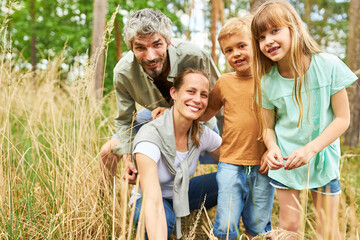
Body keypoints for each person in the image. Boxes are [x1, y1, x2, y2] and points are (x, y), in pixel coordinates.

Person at [251, 0, 358, 239]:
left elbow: (342, 119)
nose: (268, 40)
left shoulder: (328, 65)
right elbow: (266, 127)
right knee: (288, 228)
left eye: (275, 30)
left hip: (322, 159)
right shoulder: (267, 82)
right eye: (261, 37)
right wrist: (272, 147)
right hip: (286, 162)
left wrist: (311, 149)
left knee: (328, 230)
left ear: (295, 28)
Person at [99, 8, 220, 185]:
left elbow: (219, 97)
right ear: (131, 48)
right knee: (107, 152)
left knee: (231, 159)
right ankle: (105, 207)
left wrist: (173, 115)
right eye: (140, 47)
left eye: (157, 45)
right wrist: (127, 158)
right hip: (154, 116)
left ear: (168, 42)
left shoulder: (195, 56)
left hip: (199, 116)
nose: (150, 56)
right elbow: (125, 121)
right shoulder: (123, 72)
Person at [199, 16, 274, 239]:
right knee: (226, 221)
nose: (236, 54)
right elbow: (206, 113)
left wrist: (273, 150)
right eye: (228, 51)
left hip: (263, 165)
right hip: (230, 162)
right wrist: (175, 114)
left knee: (258, 224)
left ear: (256, 45)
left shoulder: (272, 80)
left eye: (242, 46)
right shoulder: (224, 82)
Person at [130, 68, 222, 239]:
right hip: (147, 200)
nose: (197, 99)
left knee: (234, 177)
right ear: (174, 93)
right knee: (164, 217)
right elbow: (153, 201)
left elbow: (235, 159)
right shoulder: (150, 137)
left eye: (203, 95)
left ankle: (238, 233)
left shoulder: (202, 133)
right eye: (191, 91)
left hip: (182, 194)